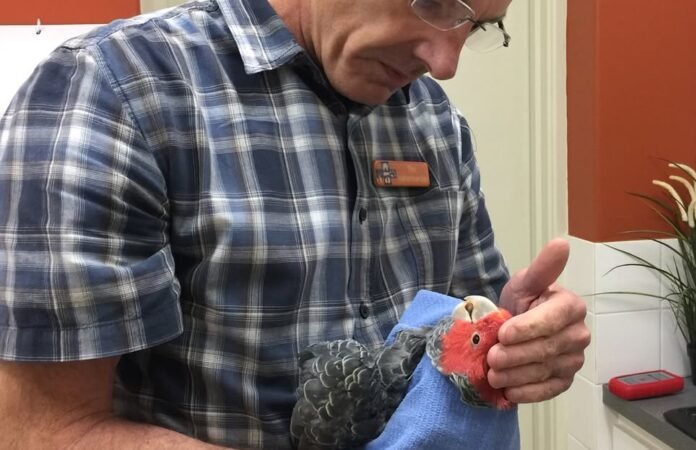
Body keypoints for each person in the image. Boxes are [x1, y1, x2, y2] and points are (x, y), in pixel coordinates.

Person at [0, 0, 590, 448]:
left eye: (478, 24)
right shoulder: (116, 91)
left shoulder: (435, 121)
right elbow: (43, 429)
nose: (445, 62)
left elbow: (467, 326)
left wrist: (520, 340)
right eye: (433, 0)